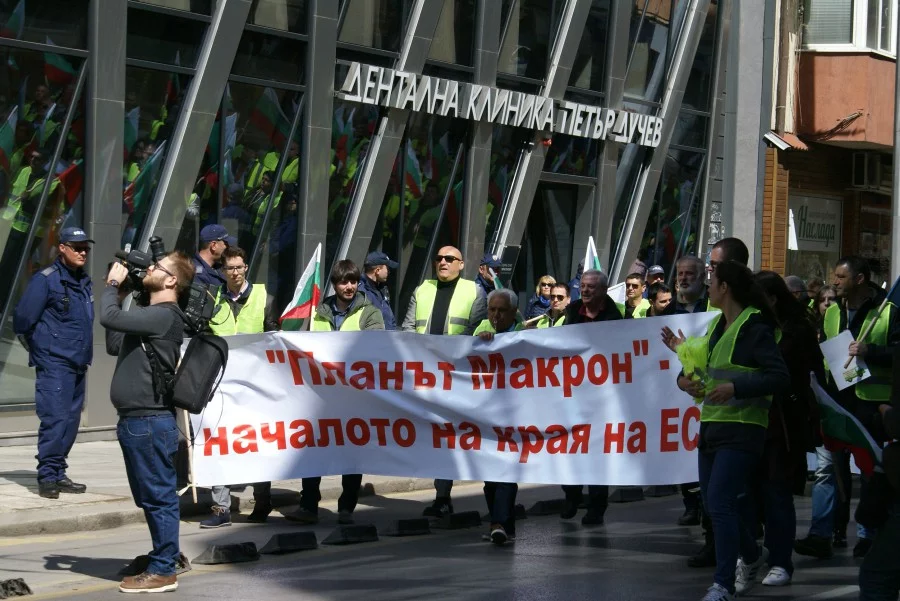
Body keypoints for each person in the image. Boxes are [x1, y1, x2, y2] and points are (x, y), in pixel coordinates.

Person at [663, 260, 790, 601]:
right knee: (712, 501)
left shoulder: (754, 326)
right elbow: (707, 376)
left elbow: (779, 376)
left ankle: (723, 584)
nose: (707, 286)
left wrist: (737, 388)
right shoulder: (720, 325)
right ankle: (752, 555)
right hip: (712, 426)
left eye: (711, 280)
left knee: (719, 503)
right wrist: (685, 375)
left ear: (725, 288)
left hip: (744, 427)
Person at [102, 251, 195, 594]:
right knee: (151, 498)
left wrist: (112, 285)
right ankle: (162, 557)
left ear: (172, 281)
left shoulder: (165, 315)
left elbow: (106, 316)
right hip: (135, 422)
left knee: (159, 498)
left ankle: (163, 570)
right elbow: (114, 341)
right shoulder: (150, 316)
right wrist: (125, 295)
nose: (150, 269)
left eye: (158, 267)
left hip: (150, 422)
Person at [802, 256, 900, 560]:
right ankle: (824, 532)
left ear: (860, 280)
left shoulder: (887, 312)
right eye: (835, 276)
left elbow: (898, 353)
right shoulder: (832, 312)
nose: (835, 282)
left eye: (841, 277)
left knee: (870, 468)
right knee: (829, 468)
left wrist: (872, 351)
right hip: (838, 401)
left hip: (871, 403)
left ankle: (867, 534)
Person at [287, 260, 384, 525]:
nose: (349, 286)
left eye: (353, 281)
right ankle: (308, 505)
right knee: (313, 451)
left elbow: (377, 348)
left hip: (355, 398)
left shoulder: (370, 313)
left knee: (351, 454)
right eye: (344, 281)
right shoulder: (318, 312)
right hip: (321, 397)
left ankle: (346, 508)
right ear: (335, 284)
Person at [402, 245, 487, 517]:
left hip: (457, 377)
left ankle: (463, 494)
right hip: (426, 377)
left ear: (461, 264)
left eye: (449, 259)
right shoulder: (421, 290)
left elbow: (478, 330)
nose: (442, 262)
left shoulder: (474, 291)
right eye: (438, 258)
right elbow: (406, 330)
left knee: (457, 437)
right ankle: (442, 494)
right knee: (437, 438)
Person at [753, 271, 823, 586]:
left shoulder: (796, 332)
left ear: (773, 298)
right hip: (747, 420)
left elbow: (812, 373)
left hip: (782, 424)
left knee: (777, 492)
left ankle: (781, 561)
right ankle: (752, 554)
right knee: (744, 494)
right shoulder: (747, 325)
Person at [201, 247, 279, 528]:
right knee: (217, 443)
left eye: (238, 267)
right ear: (222, 271)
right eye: (228, 268)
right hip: (220, 384)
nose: (234, 273)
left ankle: (263, 500)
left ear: (246, 268)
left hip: (255, 386)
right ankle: (221, 508)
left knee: (257, 445)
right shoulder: (213, 298)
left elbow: (274, 342)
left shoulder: (265, 299)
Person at [13, 227, 94, 499]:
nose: (82, 252)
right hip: (55, 364)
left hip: (78, 363)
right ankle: (47, 476)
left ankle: (58, 472)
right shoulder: (45, 280)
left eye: (85, 248)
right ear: (62, 248)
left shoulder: (84, 281)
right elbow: (23, 320)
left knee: (70, 423)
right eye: (76, 247)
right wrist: (42, 349)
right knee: (55, 420)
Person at [560, 269, 621, 526]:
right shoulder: (573, 312)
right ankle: (572, 494)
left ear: (603, 291)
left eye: (591, 287)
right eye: (583, 286)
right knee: (568, 448)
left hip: (603, 397)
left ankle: (596, 506)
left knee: (598, 452)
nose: (585, 290)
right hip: (574, 395)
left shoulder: (616, 318)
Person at [474, 288, 523, 545]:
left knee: (505, 472)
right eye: (492, 309)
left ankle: (499, 523)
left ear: (513, 312)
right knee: (490, 477)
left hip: (515, 417)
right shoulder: (479, 333)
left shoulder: (525, 336)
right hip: (485, 417)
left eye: (502, 310)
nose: (495, 315)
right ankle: (505, 525)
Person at [359, 250, 399, 330]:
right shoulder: (361, 291)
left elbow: (390, 320)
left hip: (387, 339)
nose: (389, 272)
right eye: (387, 268)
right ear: (377, 270)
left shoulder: (382, 290)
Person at [192, 224, 235, 289]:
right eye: (226, 243)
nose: (228, 247)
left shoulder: (219, 267)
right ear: (213, 245)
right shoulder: (196, 273)